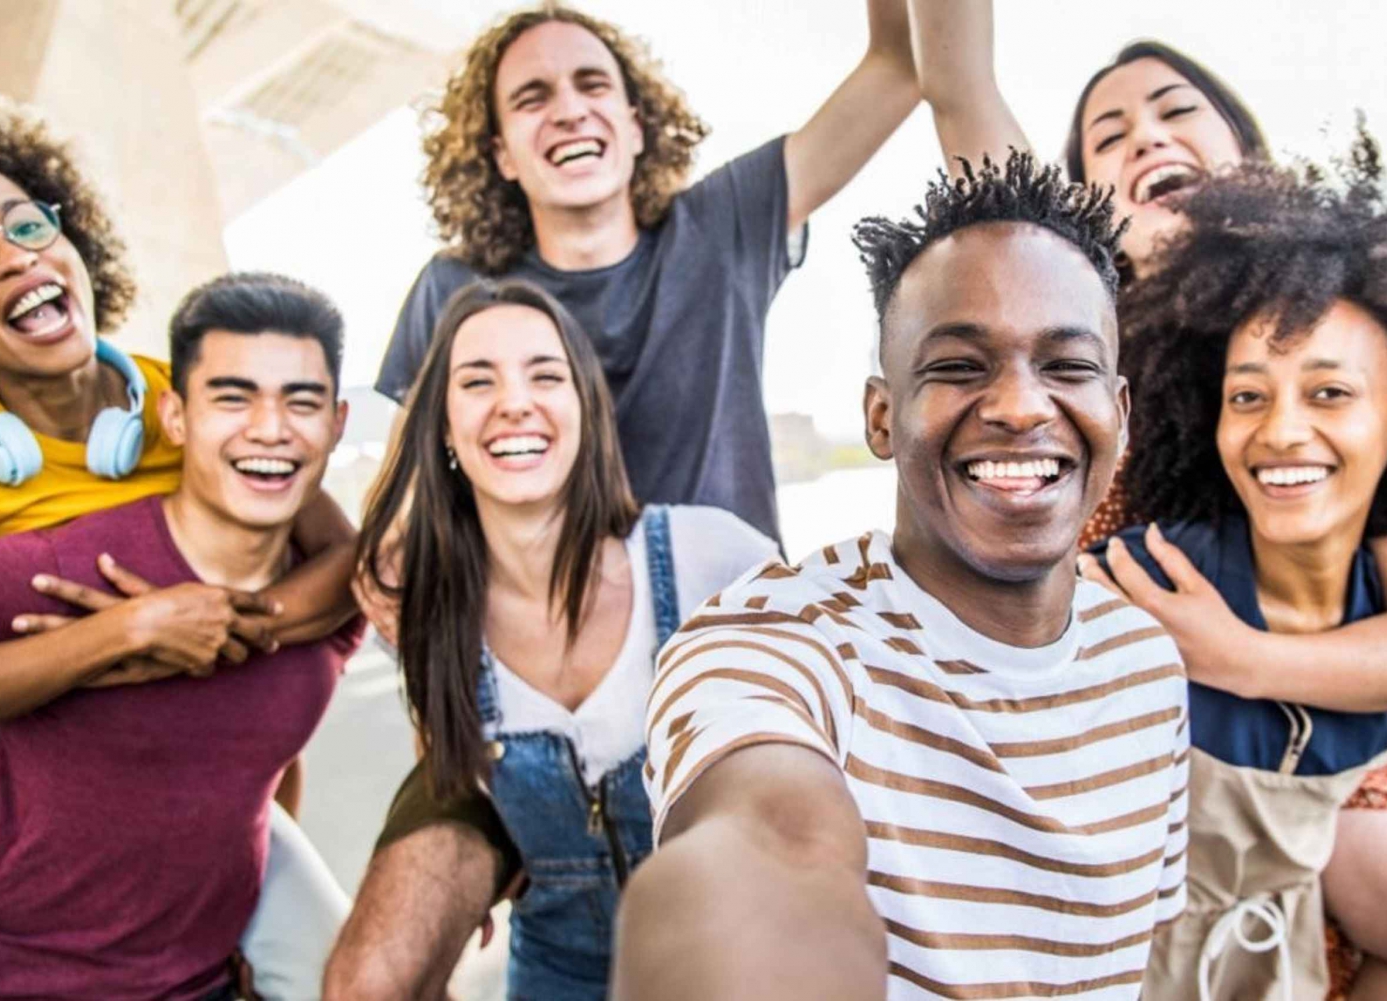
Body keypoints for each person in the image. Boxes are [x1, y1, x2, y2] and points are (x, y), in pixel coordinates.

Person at [908, 5, 1387, 993]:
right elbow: (959, 85)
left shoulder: (1346, 333)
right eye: (1107, 135)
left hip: (1298, 758)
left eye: (1174, 110)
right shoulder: (1063, 329)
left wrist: (1242, 655)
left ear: (1248, 153)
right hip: (1102, 773)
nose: (1142, 134)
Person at [613, 154, 1189, 1001]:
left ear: (1121, 414)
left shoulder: (1148, 665)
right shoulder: (776, 641)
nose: (1022, 407)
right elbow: (771, 844)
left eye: (1066, 367)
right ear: (883, 418)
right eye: (959, 366)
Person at [0, 89, 356, 1001]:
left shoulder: (189, 398)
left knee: (359, 971)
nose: (10, 258)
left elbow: (346, 565)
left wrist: (231, 625)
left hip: (197, 774)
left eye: (26, 225)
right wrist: (127, 633)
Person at [325, 279, 776, 999]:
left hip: (732, 957)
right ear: (443, 425)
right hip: (558, 968)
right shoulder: (424, 610)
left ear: (584, 408)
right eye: (477, 381)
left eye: (545, 374)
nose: (514, 401)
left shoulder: (711, 560)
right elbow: (445, 748)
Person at [373, 1, 923, 543]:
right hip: (533, 623)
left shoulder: (722, 227)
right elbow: (403, 494)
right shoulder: (456, 289)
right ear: (502, 155)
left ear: (636, 127)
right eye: (531, 98)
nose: (568, 111)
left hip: (730, 620)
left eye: (592, 85)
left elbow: (900, 66)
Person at [1084, 149, 1387, 1001]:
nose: (1280, 430)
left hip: (1280, 957)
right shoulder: (1155, 576)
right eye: (1247, 396)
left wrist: (1239, 656)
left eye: (1329, 393)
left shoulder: (1377, 601)